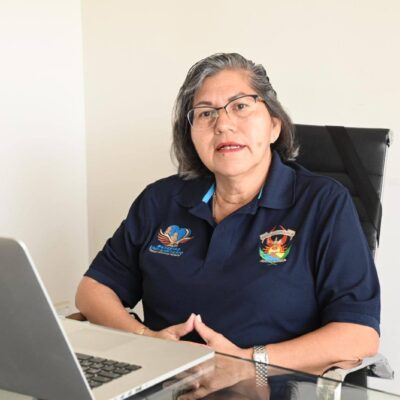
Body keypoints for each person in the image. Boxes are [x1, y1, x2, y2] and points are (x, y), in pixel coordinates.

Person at [76, 53, 380, 377]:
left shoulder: (322, 203)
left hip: (271, 390)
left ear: (274, 125)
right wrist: (146, 339)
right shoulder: (161, 200)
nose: (223, 124)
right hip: (165, 387)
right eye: (206, 113)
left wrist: (247, 363)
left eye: (241, 106)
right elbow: (93, 290)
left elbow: (359, 335)